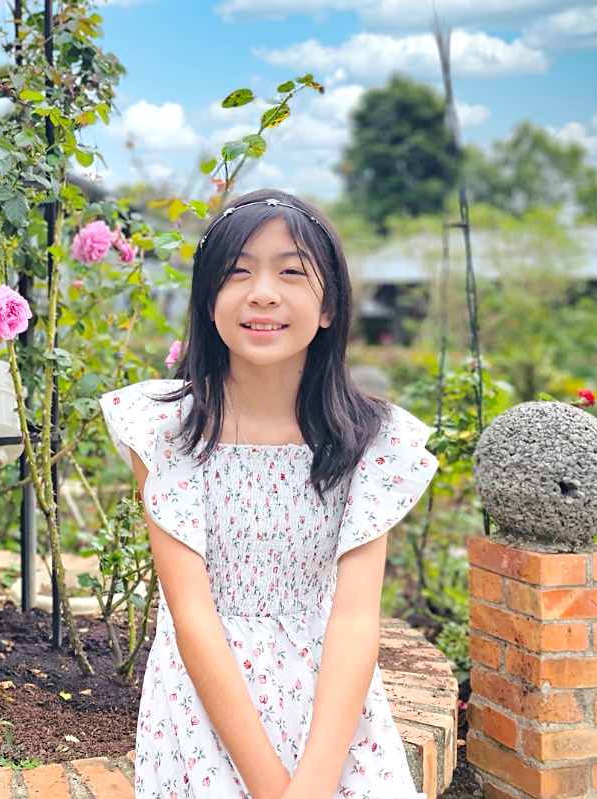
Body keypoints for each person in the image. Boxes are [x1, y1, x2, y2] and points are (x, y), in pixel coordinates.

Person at [99, 189, 439, 799]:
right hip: (205, 711)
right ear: (207, 301)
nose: (262, 293)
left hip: (333, 713)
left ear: (329, 304)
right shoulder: (166, 433)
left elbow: (356, 618)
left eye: (290, 271)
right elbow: (191, 615)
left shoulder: (369, 441)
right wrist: (270, 785)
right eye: (237, 273)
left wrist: (310, 782)